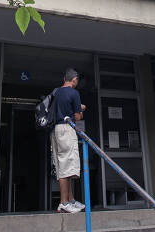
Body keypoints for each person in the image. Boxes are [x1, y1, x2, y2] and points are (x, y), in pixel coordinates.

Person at [51, 67, 87, 213]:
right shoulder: (74, 93)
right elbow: (77, 117)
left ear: (63, 79)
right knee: (67, 165)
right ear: (75, 80)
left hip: (55, 130)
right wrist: (81, 109)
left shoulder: (56, 92)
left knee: (63, 165)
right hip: (67, 129)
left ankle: (70, 200)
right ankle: (64, 202)